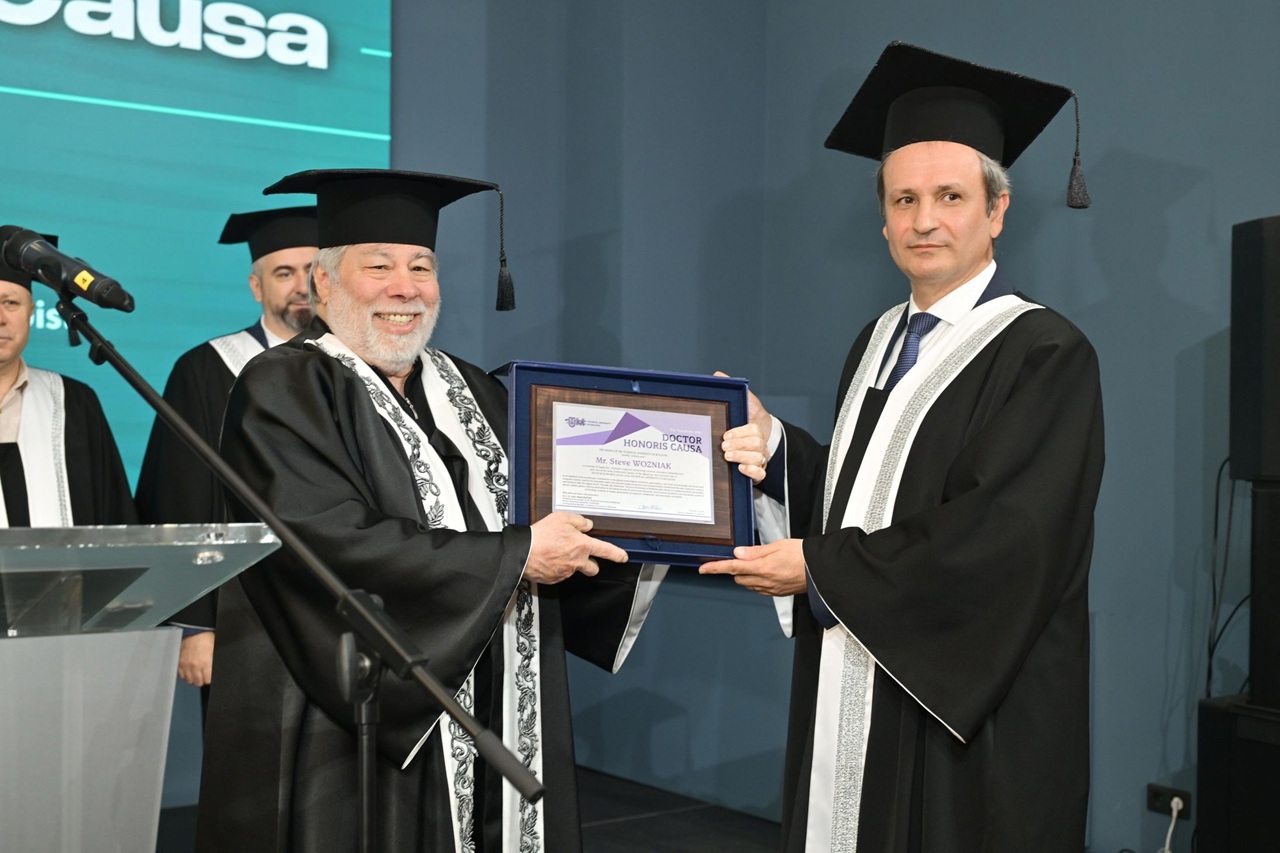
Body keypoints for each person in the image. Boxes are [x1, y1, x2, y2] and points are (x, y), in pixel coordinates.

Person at [706, 42, 1105, 851]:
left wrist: (818, 568)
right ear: (882, 217)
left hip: (972, 721)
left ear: (997, 211)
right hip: (858, 678)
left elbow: (1002, 542)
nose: (924, 220)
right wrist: (776, 448)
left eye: (951, 196)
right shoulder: (879, 338)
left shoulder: (1045, 352)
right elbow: (874, 491)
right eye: (905, 198)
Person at [195, 168, 666, 853]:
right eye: (378, 266)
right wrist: (517, 557)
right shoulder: (284, 384)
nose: (405, 287)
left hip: (498, 690)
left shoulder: (475, 387)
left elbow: (554, 509)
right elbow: (326, 540)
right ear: (323, 282)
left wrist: (659, 508)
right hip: (355, 712)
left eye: (422, 267)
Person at [135, 206, 319, 690]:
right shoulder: (207, 369)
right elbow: (180, 498)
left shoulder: (359, 367)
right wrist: (196, 624)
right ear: (257, 287)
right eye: (283, 273)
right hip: (241, 616)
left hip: (339, 612)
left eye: (311, 269)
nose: (301, 285)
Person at [0, 237, 136, 534]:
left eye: (10, 303)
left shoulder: (72, 403)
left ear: (31, 312)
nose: (0, 318)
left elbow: (113, 524)